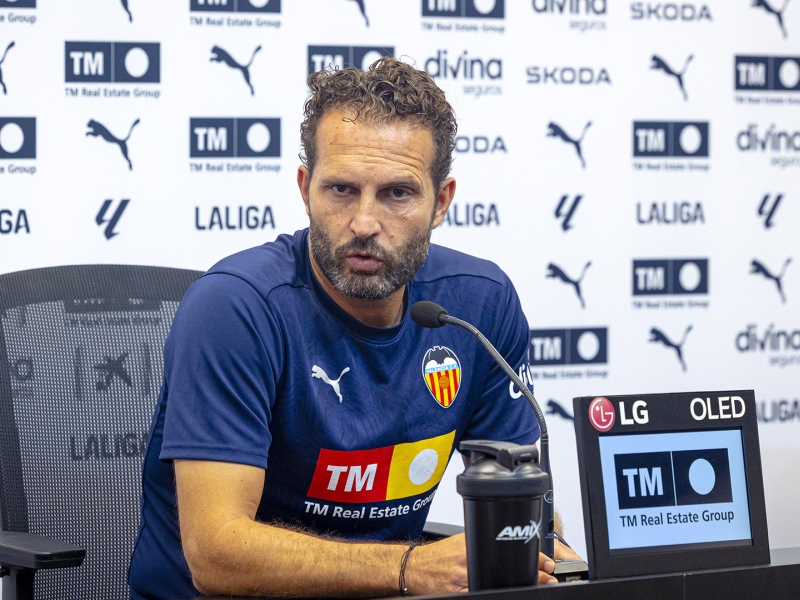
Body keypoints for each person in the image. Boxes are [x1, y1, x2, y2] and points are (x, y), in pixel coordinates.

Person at [129, 57, 577, 600]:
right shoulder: (236, 308)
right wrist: (411, 568)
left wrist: (561, 564)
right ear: (305, 188)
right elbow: (218, 554)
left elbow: (518, 506)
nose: (365, 223)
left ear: (441, 202)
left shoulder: (478, 306)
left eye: (397, 194)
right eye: (341, 190)